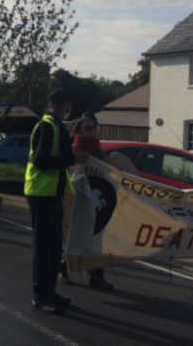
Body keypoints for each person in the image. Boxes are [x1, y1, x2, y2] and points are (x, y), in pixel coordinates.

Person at [24, 88, 81, 314]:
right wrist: (65, 160)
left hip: (53, 194)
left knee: (54, 248)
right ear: (55, 105)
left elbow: (64, 156)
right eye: (66, 105)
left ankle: (50, 292)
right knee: (44, 248)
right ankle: (40, 295)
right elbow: (40, 161)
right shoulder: (46, 127)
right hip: (40, 194)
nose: (68, 110)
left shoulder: (57, 127)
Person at [69, 112, 115, 291]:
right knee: (83, 235)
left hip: (97, 199)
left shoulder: (95, 147)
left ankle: (91, 273)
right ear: (79, 130)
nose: (93, 131)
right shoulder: (77, 148)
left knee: (94, 238)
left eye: (95, 127)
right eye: (88, 128)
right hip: (83, 199)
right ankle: (76, 270)